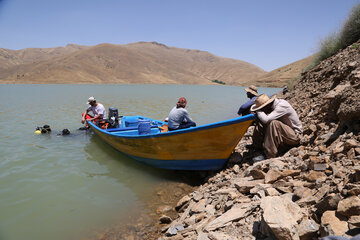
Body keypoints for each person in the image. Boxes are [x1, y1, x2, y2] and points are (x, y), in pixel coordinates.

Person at [250, 94, 302, 159]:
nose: (263, 111)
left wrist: (258, 111)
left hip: (294, 136)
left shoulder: (281, 106)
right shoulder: (272, 106)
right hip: (285, 135)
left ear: (267, 106)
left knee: (273, 123)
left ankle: (269, 154)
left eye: (263, 109)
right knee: (261, 121)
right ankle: (257, 146)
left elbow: (266, 119)